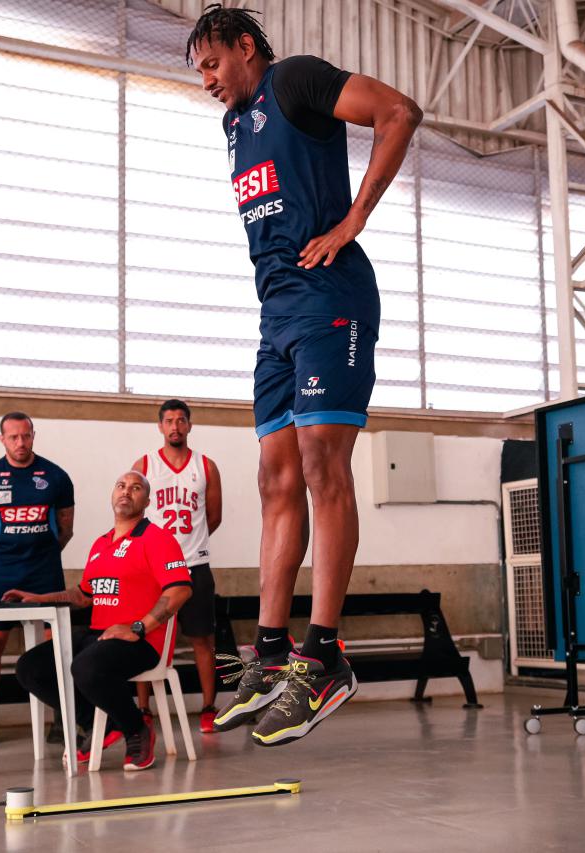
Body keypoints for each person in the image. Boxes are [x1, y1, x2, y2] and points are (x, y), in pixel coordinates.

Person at [186, 5, 422, 746]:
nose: (207, 79)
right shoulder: (233, 128)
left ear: (246, 46)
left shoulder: (296, 81)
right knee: (274, 477)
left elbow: (398, 111)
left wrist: (354, 220)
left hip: (332, 299)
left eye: (213, 62)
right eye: (199, 70)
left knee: (324, 463)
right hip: (276, 316)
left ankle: (323, 654)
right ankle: (270, 649)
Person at [9, 470, 192, 772]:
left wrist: (139, 627)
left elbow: (180, 589)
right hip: (100, 635)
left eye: (135, 488)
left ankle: (137, 729)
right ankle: (104, 725)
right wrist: (37, 598)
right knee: (30, 667)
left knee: (85, 666)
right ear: (112, 494)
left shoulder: (157, 539)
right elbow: (83, 596)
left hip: (142, 640)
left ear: (146, 500)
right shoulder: (101, 544)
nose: (126, 492)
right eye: (120, 485)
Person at [0, 412, 75, 751]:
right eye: (13, 437)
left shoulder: (56, 477)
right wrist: (4, 562)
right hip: (3, 572)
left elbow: (66, 528)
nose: (20, 443)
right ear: (2, 439)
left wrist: (39, 558)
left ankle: (61, 720)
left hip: (46, 571)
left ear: (33, 435)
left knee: (54, 647)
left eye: (25, 436)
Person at [132, 399, 224, 733]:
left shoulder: (206, 466)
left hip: (194, 565)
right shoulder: (144, 464)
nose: (175, 426)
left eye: (180, 420)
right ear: (160, 426)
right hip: (154, 570)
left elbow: (213, 517)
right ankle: (143, 709)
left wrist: (189, 544)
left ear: (189, 425)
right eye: (168, 421)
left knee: (202, 639)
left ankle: (209, 707)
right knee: (143, 636)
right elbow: (133, 516)